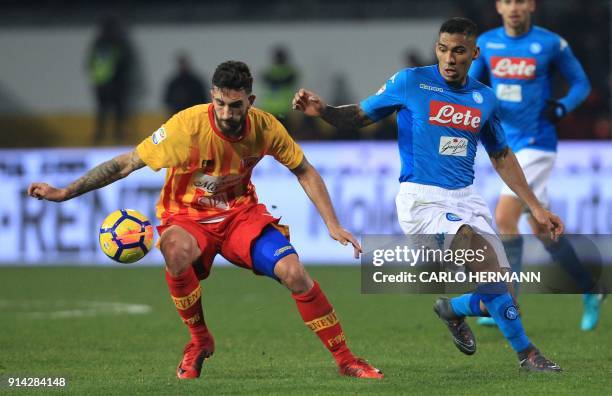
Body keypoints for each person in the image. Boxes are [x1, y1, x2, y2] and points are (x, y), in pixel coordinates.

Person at [27, 61, 382, 380]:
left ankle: (346, 360)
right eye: (221, 103)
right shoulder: (185, 127)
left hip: (241, 216)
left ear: (251, 101)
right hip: (187, 218)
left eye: (236, 105)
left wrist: (333, 224)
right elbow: (125, 163)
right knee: (174, 249)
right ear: (213, 97)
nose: (227, 113)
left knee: (294, 272)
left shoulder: (265, 127)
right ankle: (199, 341)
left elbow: (304, 171)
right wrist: (64, 193)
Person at [293, 17, 563, 372]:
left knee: (502, 295)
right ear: (437, 48)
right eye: (443, 49)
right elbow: (359, 115)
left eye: (459, 51)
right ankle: (528, 355)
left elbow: (501, 156)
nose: (449, 58)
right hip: (423, 200)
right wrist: (323, 111)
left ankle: (453, 310)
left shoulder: (485, 99)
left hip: (467, 198)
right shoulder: (411, 82)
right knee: (486, 265)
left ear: (474, 54)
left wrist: (535, 207)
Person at [468, 0, 604, 330]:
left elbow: (581, 83)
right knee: (543, 230)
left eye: (520, 1)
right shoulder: (486, 43)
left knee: (504, 216)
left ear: (531, 5)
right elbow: (470, 86)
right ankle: (591, 289)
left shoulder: (550, 43)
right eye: (507, 1)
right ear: (498, 7)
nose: (514, 7)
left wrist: (562, 107)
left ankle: (506, 302)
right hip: (505, 146)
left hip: (537, 143)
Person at [86, 16, 133, 144]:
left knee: (102, 110)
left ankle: (100, 135)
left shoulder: (98, 43)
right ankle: (117, 135)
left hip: (101, 84)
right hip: (116, 84)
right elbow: (125, 63)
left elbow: (90, 64)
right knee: (118, 110)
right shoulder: (119, 42)